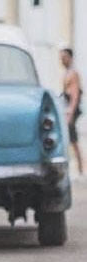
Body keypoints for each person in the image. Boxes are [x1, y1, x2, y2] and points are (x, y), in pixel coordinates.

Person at [60, 45, 83, 175]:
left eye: (64, 57)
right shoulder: (67, 73)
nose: (62, 60)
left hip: (71, 110)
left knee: (73, 140)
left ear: (70, 58)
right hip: (67, 109)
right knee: (70, 140)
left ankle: (80, 169)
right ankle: (77, 169)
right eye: (61, 58)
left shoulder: (73, 74)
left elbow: (75, 95)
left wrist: (70, 113)